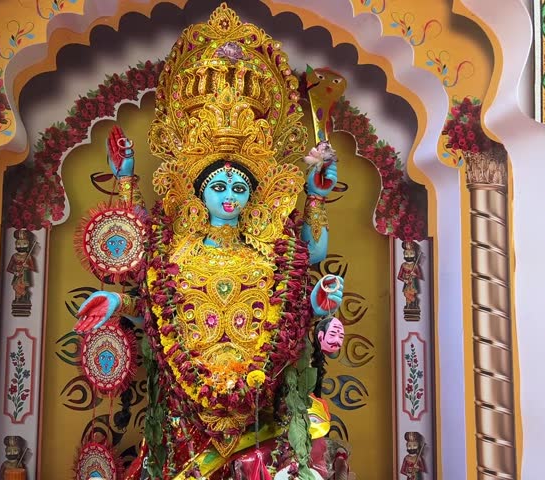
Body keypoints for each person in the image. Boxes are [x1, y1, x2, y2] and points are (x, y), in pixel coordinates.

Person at [74, 5, 347, 478]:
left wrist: (316, 196)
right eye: (218, 188)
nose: (229, 197)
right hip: (187, 424)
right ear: (197, 193)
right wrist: (117, 302)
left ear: (254, 193)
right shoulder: (175, 248)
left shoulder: (270, 249)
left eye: (239, 188)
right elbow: (154, 311)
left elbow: (311, 261)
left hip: (263, 423)